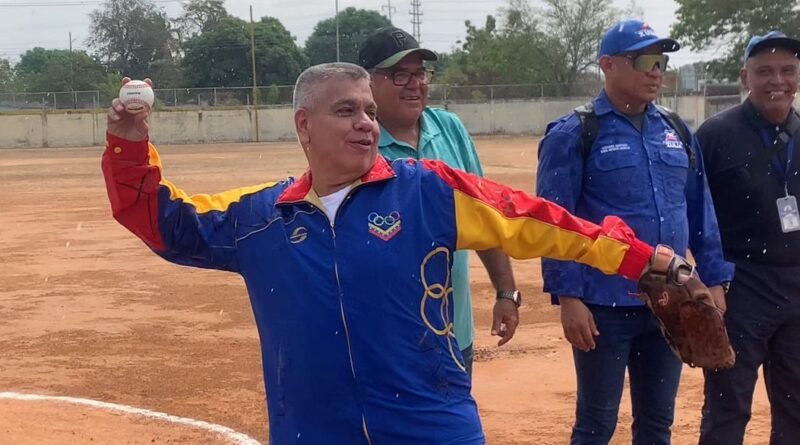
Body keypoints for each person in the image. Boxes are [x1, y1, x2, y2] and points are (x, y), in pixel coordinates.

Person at [105, 62, 671, 445]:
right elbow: (161, 221)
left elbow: (540, 223)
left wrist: (642, 259)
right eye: (347, 111)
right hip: (313, 431)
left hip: (431, 426)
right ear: (304, 125)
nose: (367, 123)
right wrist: (129, 145)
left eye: (370, 111)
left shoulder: (428, 190)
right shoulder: (261, 216)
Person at [536, 20, 733, 445]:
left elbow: (700, 210)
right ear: (607, 65)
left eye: (661, 61)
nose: (656, 71)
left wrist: (715, 279)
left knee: (657, 423)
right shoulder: (575, 133)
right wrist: (569, 299)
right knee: (596, 424)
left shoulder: (676, 130)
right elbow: (555, 223)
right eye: (644, 60)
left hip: (670, 300)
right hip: (603, 305)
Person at [358, 26, 520, 376]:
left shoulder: (449, 129)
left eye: (420, 73)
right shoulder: (357, 141)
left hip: (452, 334)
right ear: (368, 82)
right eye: (400, 74)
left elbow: (484, 217)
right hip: (385, 343)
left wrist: (506, 292)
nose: (415, 83)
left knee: (454, 430)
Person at [696, 31, 800, 445]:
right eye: (765, 72)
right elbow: (696, 212)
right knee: (728, 403)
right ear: (745, 77)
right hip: (740, 287)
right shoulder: (715, 135)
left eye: (787, 71)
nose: (778, 80)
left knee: (795, 405)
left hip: (797, 286)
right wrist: (710, 280)